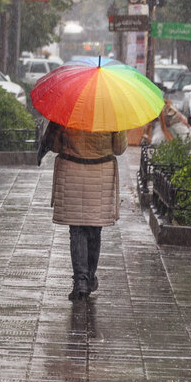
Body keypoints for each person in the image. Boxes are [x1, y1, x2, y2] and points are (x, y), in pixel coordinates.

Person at [51, 125, 127, 301]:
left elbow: (55, 146)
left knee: (77, 230)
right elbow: (119, 149)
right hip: (100, 175)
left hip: (72, 172)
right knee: (94, 229)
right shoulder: (112, 115)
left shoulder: (68, 112)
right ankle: (89, 276)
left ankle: (81, 281)